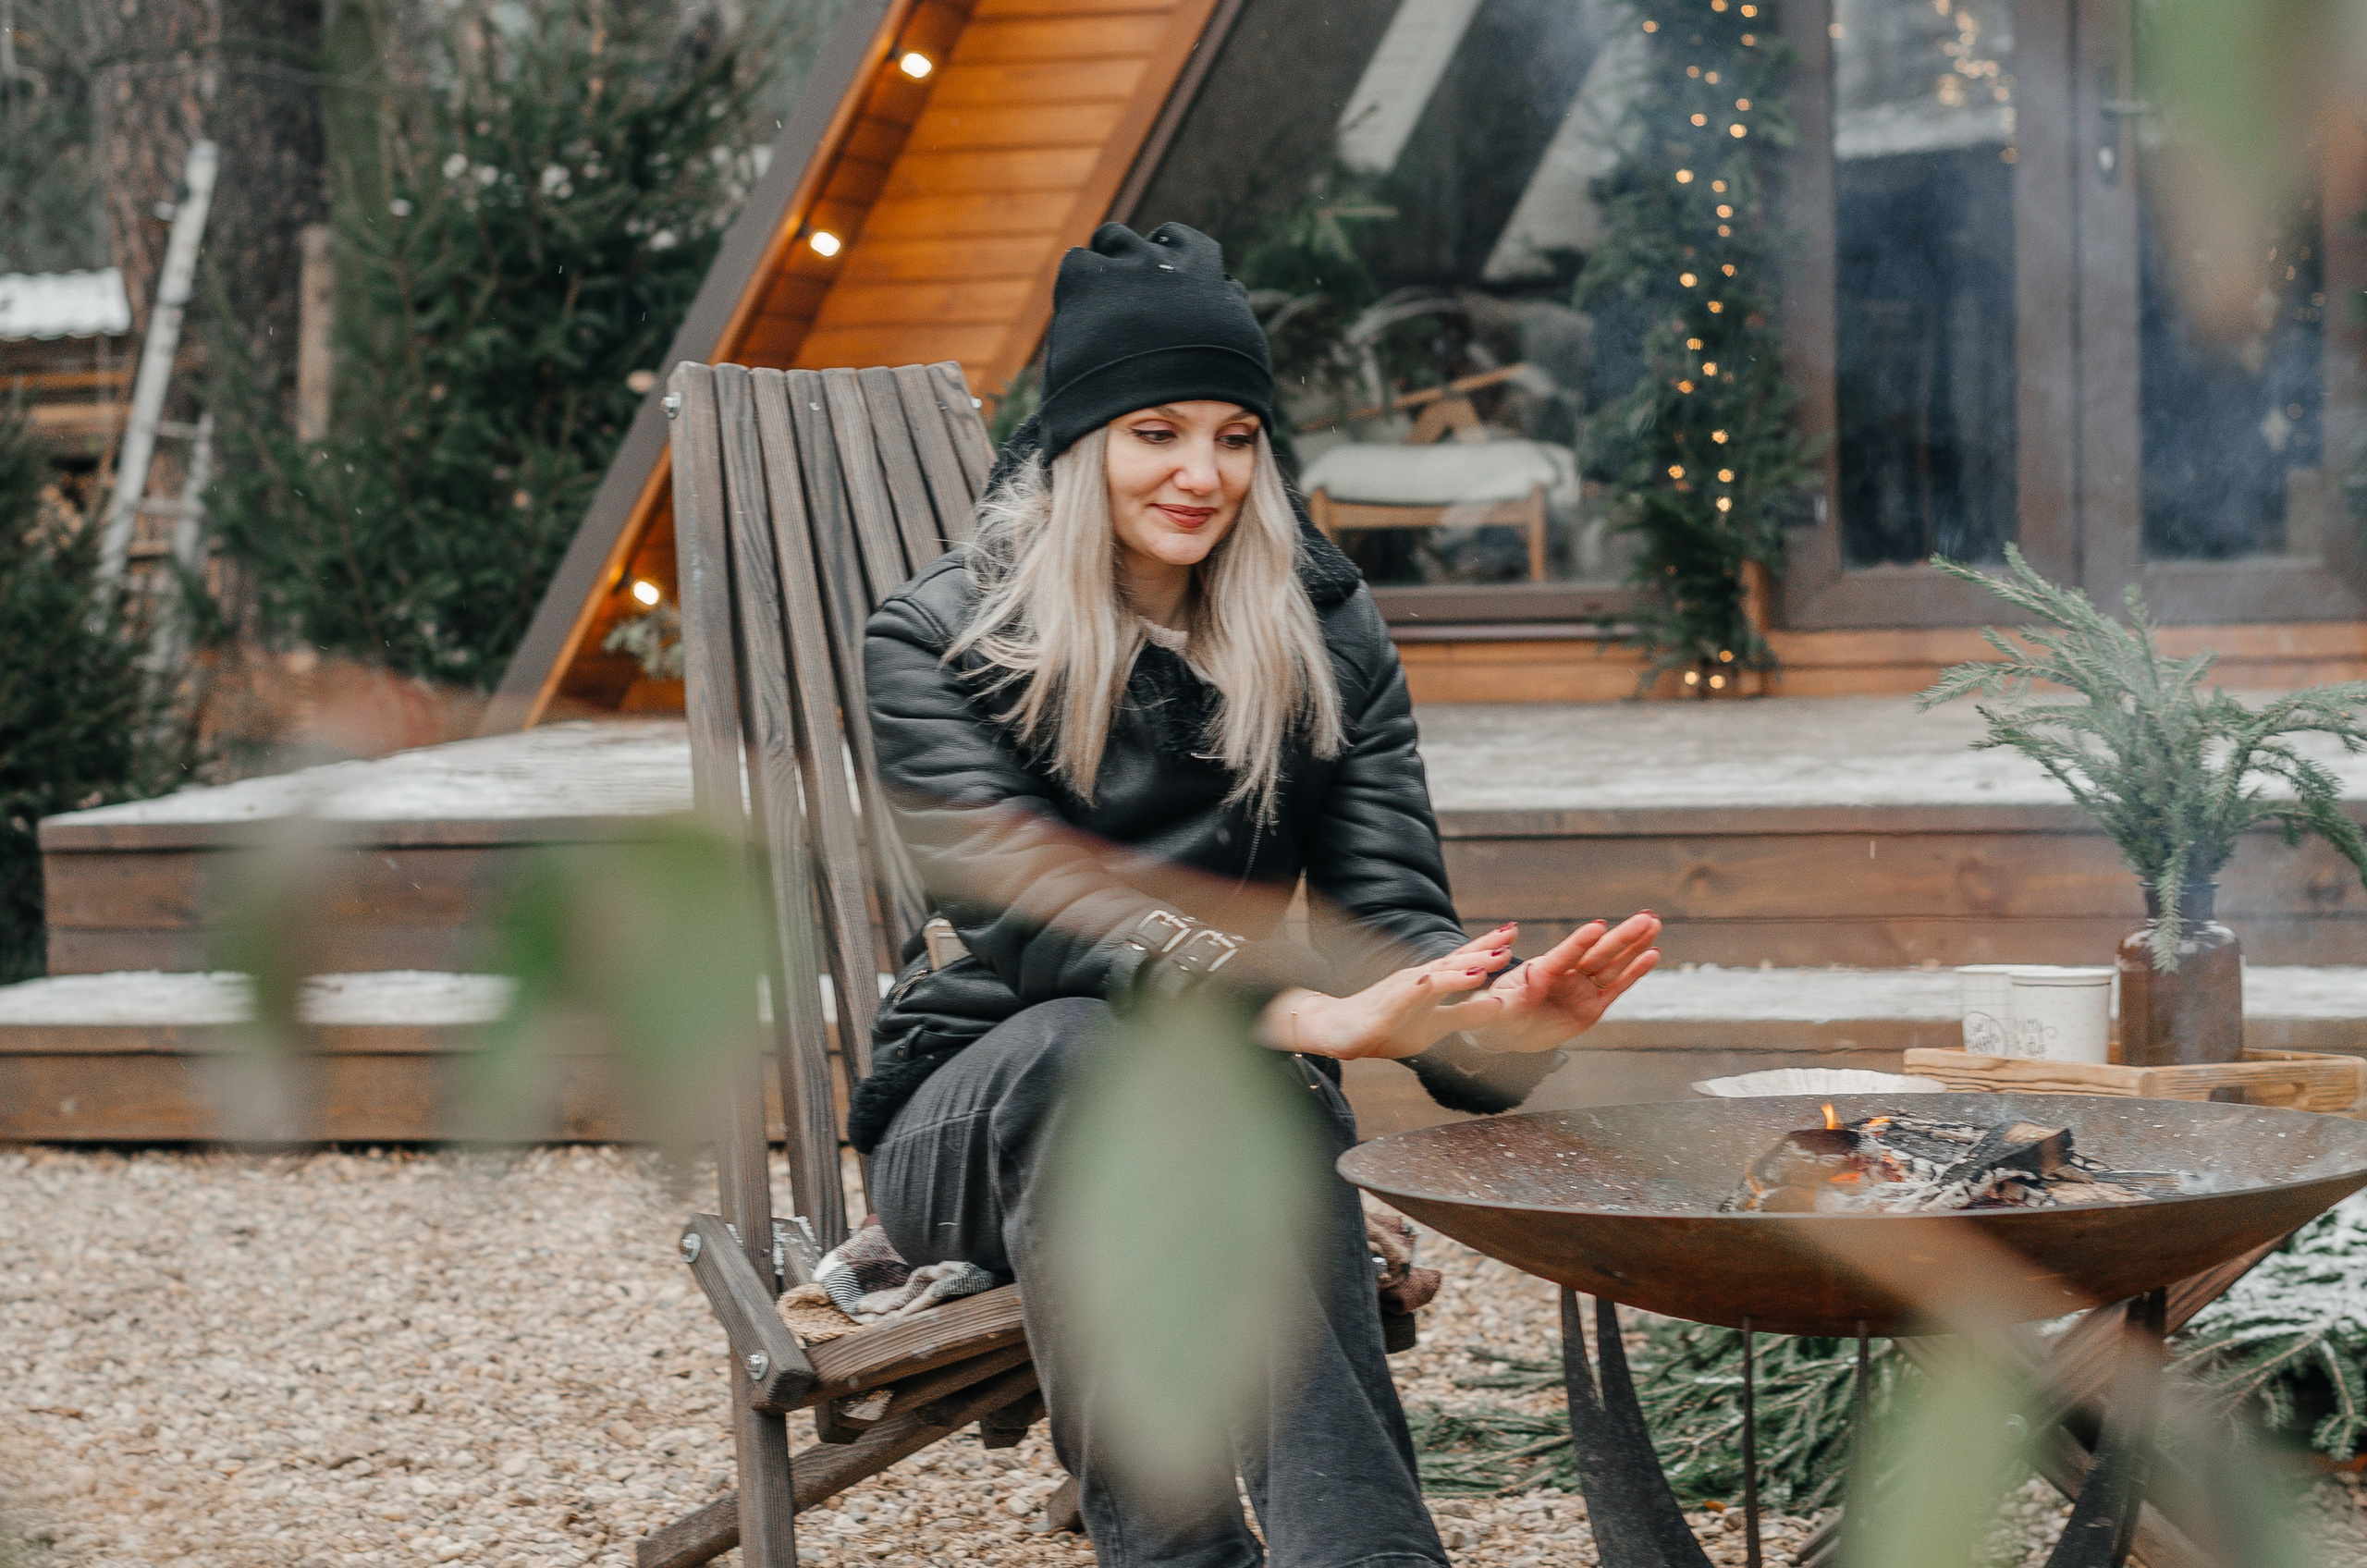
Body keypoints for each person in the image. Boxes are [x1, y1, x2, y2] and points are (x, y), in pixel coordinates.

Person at [853, 221, 1661, 1568]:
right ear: (1079, 444)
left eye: (1236, 437)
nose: (1203, 473)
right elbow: (1042, 911)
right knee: (1097, 1047)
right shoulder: (942, 637)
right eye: (1156, 432)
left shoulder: (1323, 628)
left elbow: (1386, 902)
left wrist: (1481, 1015)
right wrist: (1300, 1017)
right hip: (977, 1124)